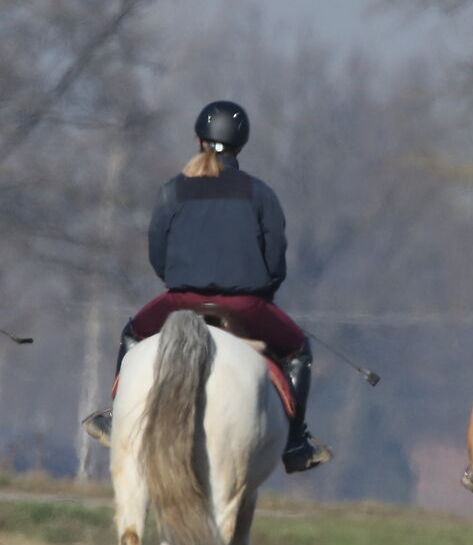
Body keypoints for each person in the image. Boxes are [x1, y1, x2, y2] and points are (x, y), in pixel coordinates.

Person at [80, 100, 330, 474]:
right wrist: (261, 297)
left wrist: (182, 282)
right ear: (241, 144)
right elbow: (275, 261)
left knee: (132, 334)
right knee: (298, 352)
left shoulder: (173, 190)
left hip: (181, 301)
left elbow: (158, 255)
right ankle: (295, 444)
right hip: (246, 306)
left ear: (198, 139)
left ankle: (118, 418)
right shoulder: (260, 194)